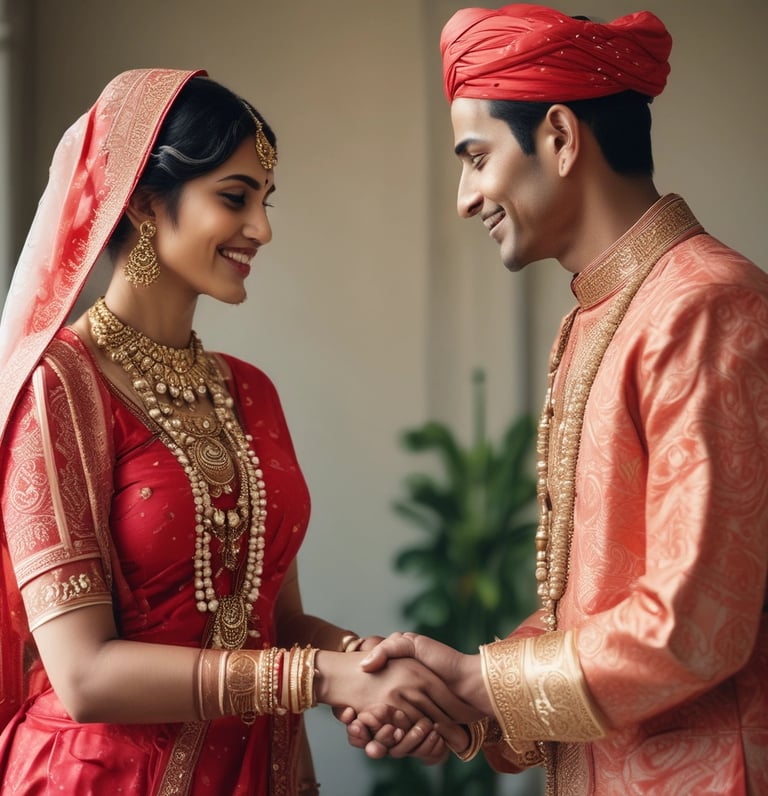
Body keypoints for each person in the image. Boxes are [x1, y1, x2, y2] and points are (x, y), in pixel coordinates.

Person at [0, 68, 469, 795]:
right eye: (234, 198)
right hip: (104, 778)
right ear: (148, 202)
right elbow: (84, 673)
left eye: (264, 201)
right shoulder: (59, 384)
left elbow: (272, 619)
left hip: (261, 774)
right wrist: (322, 676)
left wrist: (372, 669)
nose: (262, 228)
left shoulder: (249, 391)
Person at [344, 5, 768, 794]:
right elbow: (592, 607)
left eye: (477, 158)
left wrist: (477, 683)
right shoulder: (600, 317)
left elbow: (696, 622)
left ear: (562, 138)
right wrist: (467, 707)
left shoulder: (706, 305)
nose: (466, 197)